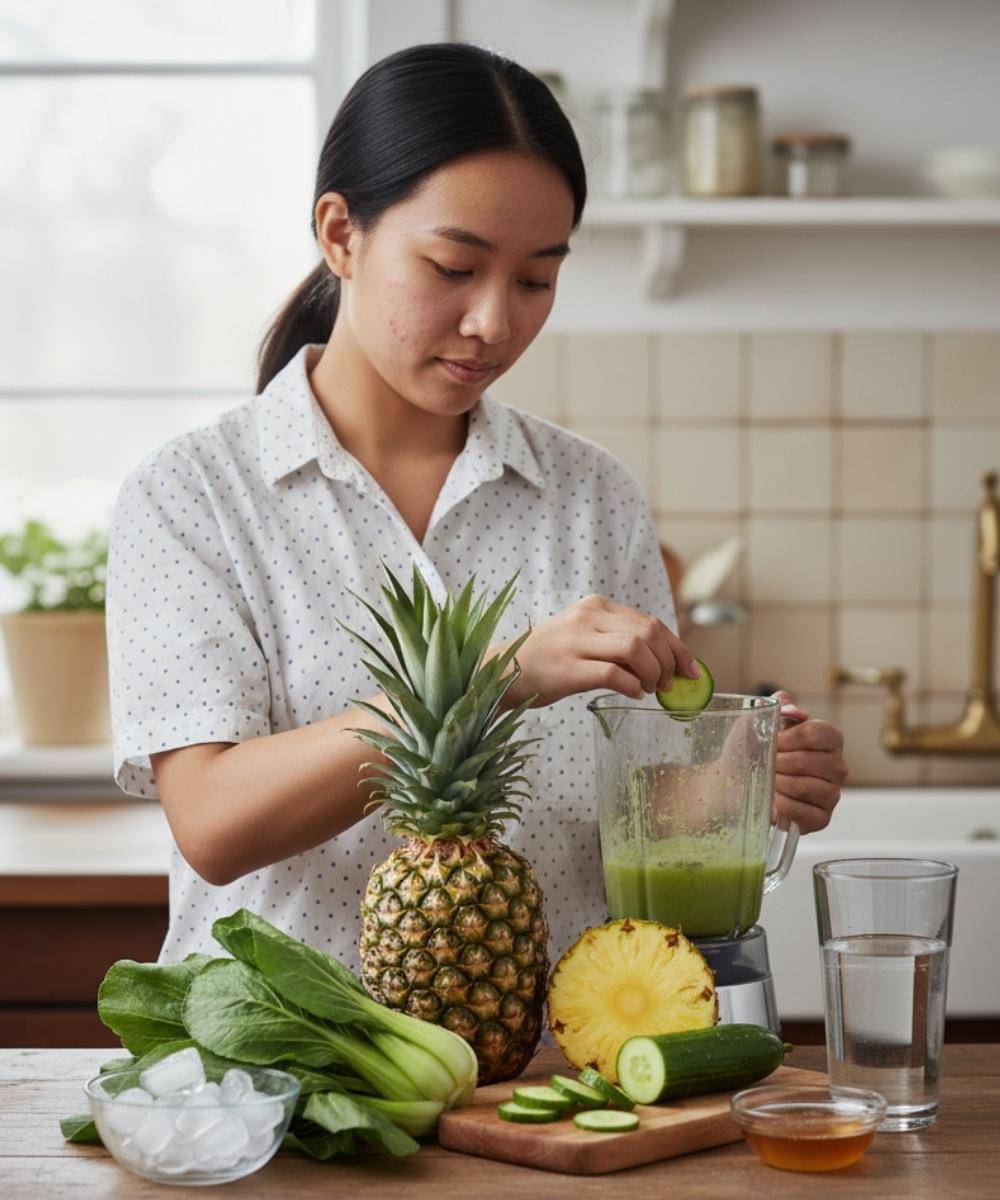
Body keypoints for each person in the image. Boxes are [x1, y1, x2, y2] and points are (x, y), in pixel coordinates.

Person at [106, 42, 847, 969]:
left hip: (548, 1083)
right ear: (341, 233)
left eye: (536, 279)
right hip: (279, 1086)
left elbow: (640, 807)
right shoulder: (191, 496)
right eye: (455, 267)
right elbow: (214, 824)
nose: (496, 322)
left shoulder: (592, 495)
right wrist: (489, 683)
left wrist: (747, 784)